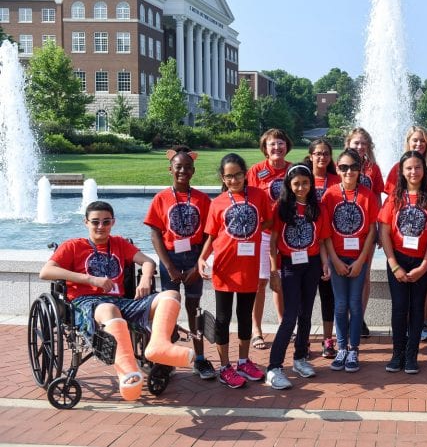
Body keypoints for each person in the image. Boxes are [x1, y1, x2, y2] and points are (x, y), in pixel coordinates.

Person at [40, 200, 193, 401]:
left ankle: (158, 345)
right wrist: (90, 279)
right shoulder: (73, 246)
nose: (101, 227)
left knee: (171, 295)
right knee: (109, 309)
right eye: (95, 222)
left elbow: (147, 261)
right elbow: (46, 272)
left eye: (106, 222)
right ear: (86, 222)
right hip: (86, 303)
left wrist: (146, 277)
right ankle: (127, 370)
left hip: (120, 303)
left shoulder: (120, 243)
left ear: (113, 222)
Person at [199, 153, 272, 389]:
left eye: (238, 174)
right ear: (223, 177)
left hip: (248, 268)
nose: (234, 180)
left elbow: (268, 223)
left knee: (244, 316)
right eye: (229, 176)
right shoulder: (218, 202)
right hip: (224, 268)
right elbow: (211, 235)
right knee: (222, 319)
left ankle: (243, 361)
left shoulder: (259, 197)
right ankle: (224, 367)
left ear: (245, 173)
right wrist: (202, 258)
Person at [144, 146, 215, 380]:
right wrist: (170, 267)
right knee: (168, 311)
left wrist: (198, 264)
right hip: (171, 259)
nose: (182, 171)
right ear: (170, 170)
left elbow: (209, 235)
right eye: (178, 167)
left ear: (193, 171)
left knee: (193, 309)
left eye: (187, 167)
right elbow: (155, 234)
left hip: (194, 256)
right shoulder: (161, 198)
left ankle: (201, 358)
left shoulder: (202, 200)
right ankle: (167, 358)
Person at [266, 164, 331, 390]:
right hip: (290, 265)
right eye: (296, 184)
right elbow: (273, 243)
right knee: (290, 315)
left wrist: (325, 264)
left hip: (311, 265)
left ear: (311, 184)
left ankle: (300, 358)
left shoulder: (318, 208)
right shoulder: (281, 208)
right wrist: (274, 271)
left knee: (306, 314)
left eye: (305, 183)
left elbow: (322, 241)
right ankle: (274, 367)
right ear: (289, 185)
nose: (301, 187)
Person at [378, 151, 427, 374]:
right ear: (402, 171)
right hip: (398, 259)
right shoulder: (393, 198)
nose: (413, 172)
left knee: (417, 309)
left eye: (417, 167)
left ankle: (411, 355)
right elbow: (384, 232)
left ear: (424, 171)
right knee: (399, 309)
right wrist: (394, 264)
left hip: (421, 262)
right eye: (409, 168)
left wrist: (424, 266)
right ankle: (397, 353)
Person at [384, 126, 427, 342]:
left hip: (426, 236)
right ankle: (405, 332)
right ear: (408, 143)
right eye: (415, 141)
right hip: (401, 245)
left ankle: (422, 322)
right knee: (402, 301)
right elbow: (391, 203)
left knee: (425, 284)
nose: (419, 144)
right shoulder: (397, 168)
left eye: (422, 141)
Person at [322, 149, 379, 372]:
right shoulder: (330, 195)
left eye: (353, 167)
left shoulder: (367, 196)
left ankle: (354, 349)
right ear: (337, 168)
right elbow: (325, 233)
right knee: (340, 304)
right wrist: (333, 260)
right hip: (338, 258)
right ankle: (342, 347)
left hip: (358, 259)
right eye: (344, 167)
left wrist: (362, 261)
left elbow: (372, 232)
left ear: (360, 169)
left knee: (355, 304)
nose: (348, 172)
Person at [246, 129, 293, 351]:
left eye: (280, 143)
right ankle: (257, 331)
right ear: (265, 148)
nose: (277, 148)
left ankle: (285, 325)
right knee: (261, 282)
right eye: (272, 144)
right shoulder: (256, 171)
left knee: (282, 281)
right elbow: (247, 201)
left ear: (287, 146)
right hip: (264, 235)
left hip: (289, 235)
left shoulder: (293, 169)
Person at [304, 139, 341, 359]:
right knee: (305, 298)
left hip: (329, 245)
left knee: (328, 297)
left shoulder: (336, 180)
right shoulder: (301, 178)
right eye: (318, 153)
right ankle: (305, 340)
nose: (322, 157)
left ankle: (328, 340)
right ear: (310, 156)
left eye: (326, 153)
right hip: (305, 247)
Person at [345, 127, 384, 337]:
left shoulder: (372, 169)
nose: (360, 147)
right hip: (342, 230)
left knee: (365, 276)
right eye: (356, 143)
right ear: (348, 144)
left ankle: (358, 319)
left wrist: (377, 227)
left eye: (363, 143)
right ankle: (345, 319)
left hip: (365, 230)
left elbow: (378, 198)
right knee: (343, 276)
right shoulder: (339, 165)